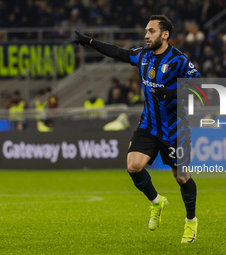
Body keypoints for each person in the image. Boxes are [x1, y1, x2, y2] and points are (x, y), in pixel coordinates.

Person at [73, 14, 199, 243]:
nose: (146, 35)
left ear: (165, 34)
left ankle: (191, 222)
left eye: (151, 31)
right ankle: (157, 202)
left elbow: (201, 89)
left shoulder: (179, 60)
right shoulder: (143, 56)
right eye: (146, 31)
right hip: (148, 126)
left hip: (175, 129)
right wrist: (90, 42)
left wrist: (172, 93)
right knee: (133, 166)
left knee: (181, 178)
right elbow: (118, 52)